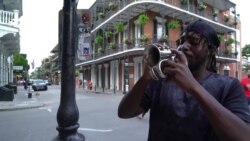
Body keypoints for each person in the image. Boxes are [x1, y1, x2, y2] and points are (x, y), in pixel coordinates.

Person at [118, 20, 250, 141]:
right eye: (181, 41)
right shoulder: (160, 81)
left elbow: (243, 136)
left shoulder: (229, 86)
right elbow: (124, 113)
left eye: (194, 41)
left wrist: (193, 87)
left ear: (211, 50)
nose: (184, 46)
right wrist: (145, 78)